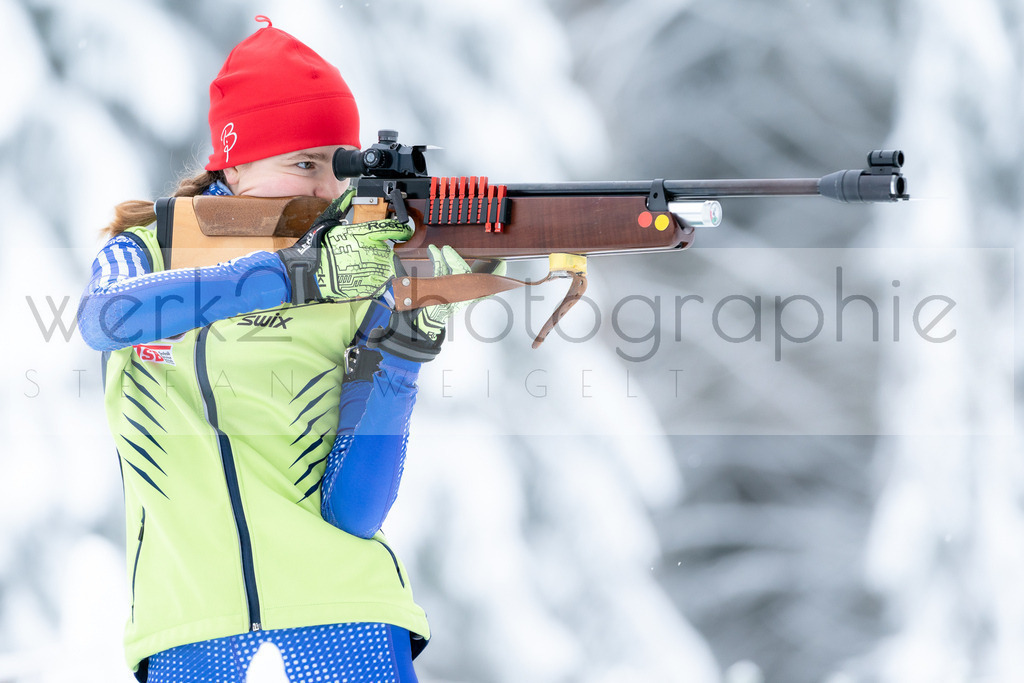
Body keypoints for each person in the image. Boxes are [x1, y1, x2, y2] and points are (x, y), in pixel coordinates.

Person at [77, 17, 468, 682]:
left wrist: (403, 349)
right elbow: (106, 317)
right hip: (188, 632)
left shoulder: (359, 282)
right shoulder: (146, 252)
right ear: (234, 162)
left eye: (337, 167)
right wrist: (295, 274)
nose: (323, 189)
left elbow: (353, 508)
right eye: (304, 163)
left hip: (349, 619)